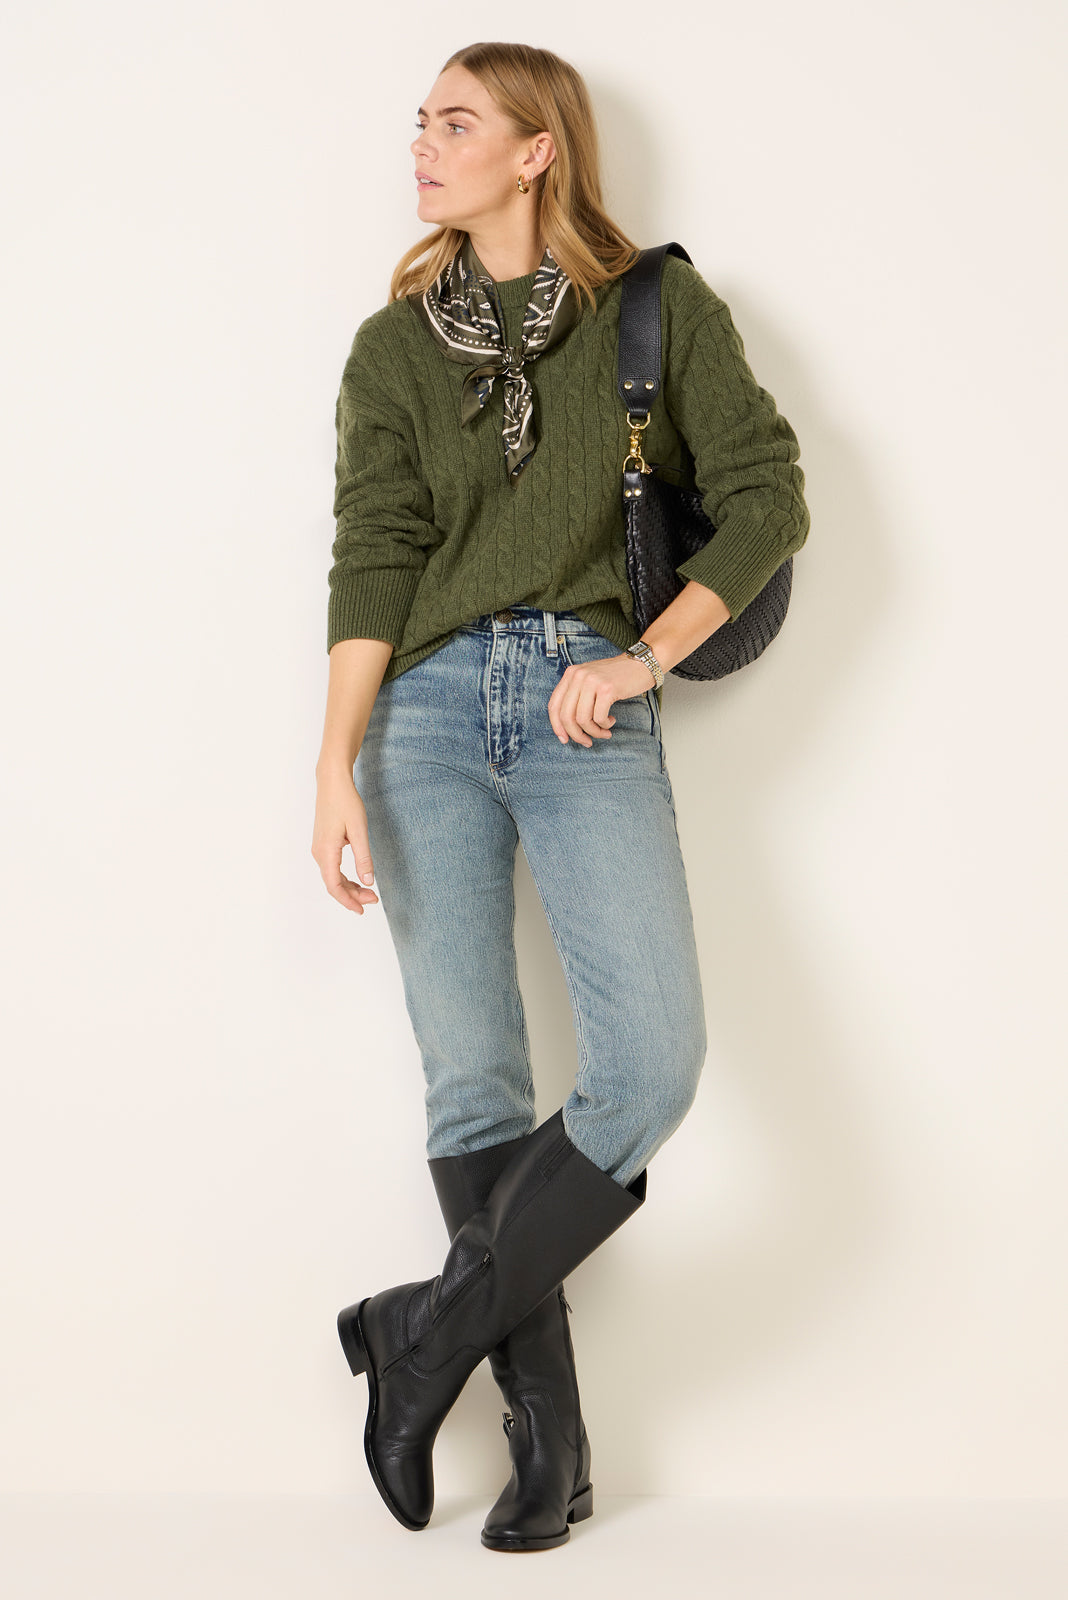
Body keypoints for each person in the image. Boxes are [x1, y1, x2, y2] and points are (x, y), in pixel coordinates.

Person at [312, 40, 810, 1553]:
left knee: (650, 1065)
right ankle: (551, 1448)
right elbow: (374, 554)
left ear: (538, 151)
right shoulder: (392, 350)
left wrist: (645, 659)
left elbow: (770, 493)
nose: (422, 143)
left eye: (456, 121)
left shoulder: (652, 312)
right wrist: (331, 759)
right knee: (473, 1080)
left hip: (583, 700)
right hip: (422, 720)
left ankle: (421, 1336)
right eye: (420, 121)